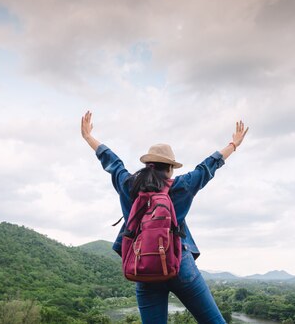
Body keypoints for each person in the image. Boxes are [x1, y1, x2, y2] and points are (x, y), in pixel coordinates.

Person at [81, 111, 248, 324]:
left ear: (148, 165)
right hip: (180, 265)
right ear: (170, 168)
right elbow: (207, 167)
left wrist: (89, 137)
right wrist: (233, 144)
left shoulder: (128, 185)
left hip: (144, 267)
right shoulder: (182, 186)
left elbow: (113, 163)